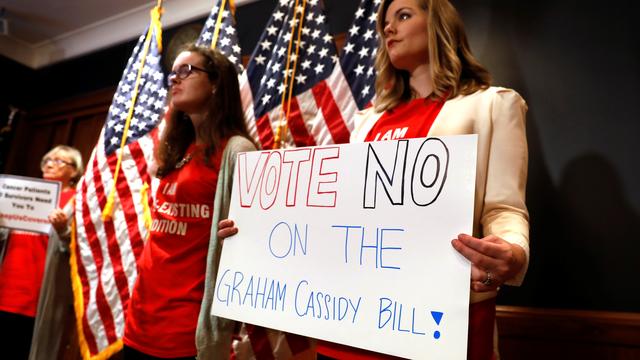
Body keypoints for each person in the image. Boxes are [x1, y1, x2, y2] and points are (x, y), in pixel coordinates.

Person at [219, 0, 529, 359]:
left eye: (404, 15)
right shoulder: (366, 121)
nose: (388, 28)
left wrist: (513, 253)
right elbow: (337, 217)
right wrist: (255, 229)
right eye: (385, 22)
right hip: (354, 322)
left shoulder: (491, 105)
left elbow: (505, 208)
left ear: (438, 24)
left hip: (435, 323)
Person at [122, 44, 257, 360]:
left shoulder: (237, 150)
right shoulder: (176, 148)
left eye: (186, 71)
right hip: (140, 318)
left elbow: (251, 240)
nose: (174, 79)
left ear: (215, 83)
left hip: (185, 328)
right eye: (173, 73)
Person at [0, 145, 83, 359]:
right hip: (6, 287)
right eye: (47, 159)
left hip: (38, 295)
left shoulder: (75, 201)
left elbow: (76, 247)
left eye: (59, 161)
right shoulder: (22, 193)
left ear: (74, 171)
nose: (49, 163)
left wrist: (63, 229)